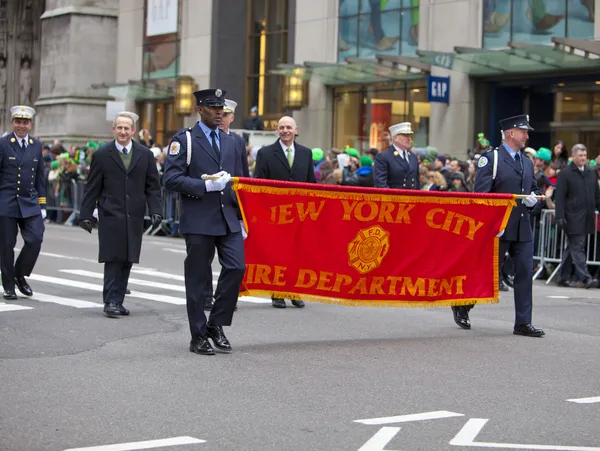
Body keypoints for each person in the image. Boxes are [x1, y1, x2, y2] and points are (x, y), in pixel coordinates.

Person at [163, 88, 247, 356]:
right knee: (198, 279)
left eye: (221, 107)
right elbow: (171, 178)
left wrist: (244, 217)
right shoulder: (185, 140)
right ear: (200, 110)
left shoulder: (233, 142)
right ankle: (198, 334)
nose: (219, 111)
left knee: (236, 268)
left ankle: (216, 324)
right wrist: (205, 186)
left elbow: (242, 182)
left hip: (228, 218)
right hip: (199, 218)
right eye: (212, 107)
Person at [451, 114, 545, 337]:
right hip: (499, 227)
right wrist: (491, 222)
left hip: (522, 227)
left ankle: (523, 322)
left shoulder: (526, 162)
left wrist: (533, 200)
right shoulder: (491, 159)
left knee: (523, 272)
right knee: (486, 271)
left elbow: (534, 190)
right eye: (524, 132)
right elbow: (481, 196)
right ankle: (463, 304)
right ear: (511, 133)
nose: (526, 136)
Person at [78, 112, 162, 317]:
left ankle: (118, 300)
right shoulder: (102, 154)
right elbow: (92, 188)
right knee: (113, 258)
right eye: (119, 127)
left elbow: (153, 187)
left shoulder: (145, 154)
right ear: (113, 129)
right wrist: (85, 215)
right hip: (110, 213)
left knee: (128, 258)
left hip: (134, 215)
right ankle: (110, 301)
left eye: (127, 128)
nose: (123, 131)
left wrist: (156, 210)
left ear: (133, 131)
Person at [253, 116, 316, 309]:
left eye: (288, 127)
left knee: (297, 254)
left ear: (296, 130)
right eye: (281, 128)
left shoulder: (306, 153)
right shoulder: (265, 153)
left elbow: (311, 184)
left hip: (299, 213)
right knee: (277, 254)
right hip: (275, 213)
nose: (285, 130)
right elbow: (259, 183)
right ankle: (277, 293)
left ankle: (295, 291)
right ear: (277, 131)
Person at [200, 99, 250, 311]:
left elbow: (242, 176)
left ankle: (225, 298)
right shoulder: (200, 138)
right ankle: (205, 297)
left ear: (231, 118)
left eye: (226, 114)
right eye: (217, 112)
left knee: (235, 264)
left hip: (229, 208)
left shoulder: (236, 141)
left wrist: (242, 213)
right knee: (203, 260)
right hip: (206, 205)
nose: (221, 117)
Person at [0, 106, 46, 300]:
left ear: (30, 124)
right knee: (6, 245)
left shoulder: (36, 145)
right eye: (18, 122)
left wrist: (42, 205)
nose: (21, 126)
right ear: (13, 123)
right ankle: (9, 285)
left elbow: (40, 177)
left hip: (30, 202)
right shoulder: (3, 144)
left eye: (25, 122)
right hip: (6, 202)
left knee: (36, 239)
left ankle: (19, 274)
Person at [555, 144, 600, 289]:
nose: (583, 158)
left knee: (572, 248)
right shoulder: (565, 173)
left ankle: (562, 277)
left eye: (585, 155)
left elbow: (597, 196)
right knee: (578, 246)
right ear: (573, 156)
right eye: (580, 155)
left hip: (587, 216)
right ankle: (586, 278)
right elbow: (560, 197)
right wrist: (559, 215)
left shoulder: (590, 173)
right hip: (572, 217)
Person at [373, 122, 419, 190]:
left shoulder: (413, 157)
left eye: (410, 136)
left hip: (411, 199)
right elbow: (381, 183)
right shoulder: (383, 156)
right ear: (395, 138)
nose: (409, 139)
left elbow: (416, 183)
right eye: (405, 136)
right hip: (393, 198)